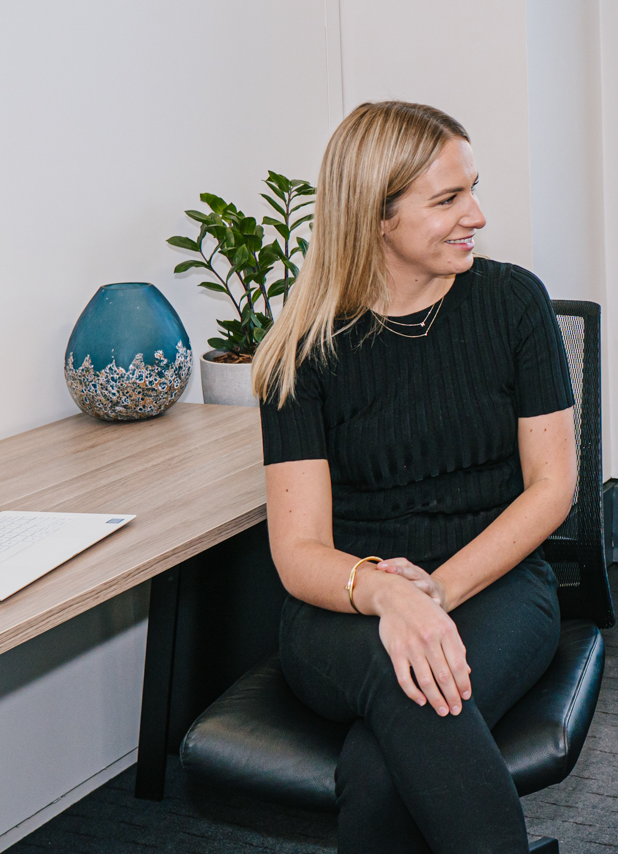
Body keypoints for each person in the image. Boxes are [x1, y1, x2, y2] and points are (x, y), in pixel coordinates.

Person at [251, 100, 577, 854]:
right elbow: (299, 550)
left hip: (494, 582)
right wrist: (389, 592)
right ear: (376, 217)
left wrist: (435, 594)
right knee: (410, 722)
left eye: (472, 189)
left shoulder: (512, 303)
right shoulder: (301, 350)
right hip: (341, 602)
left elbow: (551, 487)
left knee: (378, 769)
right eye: (447, 199)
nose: (478, 215)